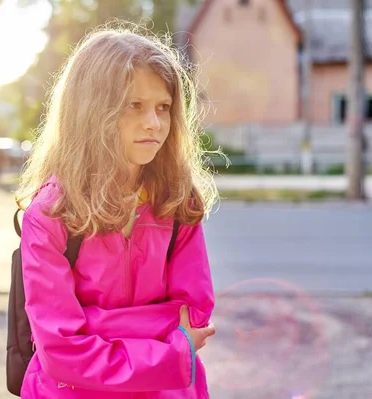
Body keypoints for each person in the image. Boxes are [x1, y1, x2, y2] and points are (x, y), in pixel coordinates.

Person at [15, 24, 219, 398]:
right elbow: (61, 350)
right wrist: (165, 345)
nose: (153, 124)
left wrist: (99, 327)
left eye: (163, 108)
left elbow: (195, 320)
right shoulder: (51, 214)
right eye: (134, 106)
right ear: (93, 112)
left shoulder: (177, 201)